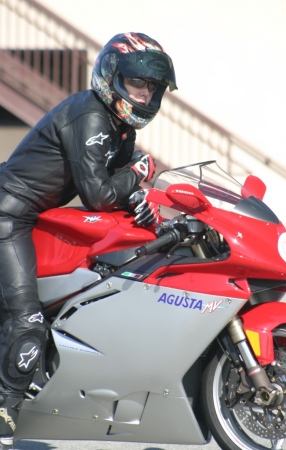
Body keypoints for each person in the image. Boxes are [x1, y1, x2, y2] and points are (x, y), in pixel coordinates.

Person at [0, 31, 177, 449]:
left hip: (34, 217)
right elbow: (97, 192)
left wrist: (139, 198)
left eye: (152, 89)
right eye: (138, 85)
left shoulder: (119, 126)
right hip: (9, 215)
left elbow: (114, 184)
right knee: (27, 319)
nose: (145, 97)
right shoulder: (91, 114)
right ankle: (4, 409)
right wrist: (139, 174)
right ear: (110, 77)